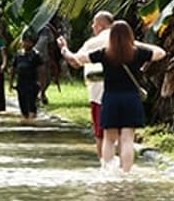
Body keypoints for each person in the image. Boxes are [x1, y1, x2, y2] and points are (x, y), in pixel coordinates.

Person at [67, 20, 167, 172]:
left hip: (111, 99)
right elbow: (161, 52)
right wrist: (137, 43)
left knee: (109, 139)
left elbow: (78, 59)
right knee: (127, 139)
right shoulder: (137, 52)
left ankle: (107, 170)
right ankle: (126, 172)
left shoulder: (104, 53)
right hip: (131, 99)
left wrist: (65, 50)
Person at [59, 11, 113, 161]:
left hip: (99, 95)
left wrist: (64, 48)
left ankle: (105, 167)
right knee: (124, 135)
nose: (92, 27)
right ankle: (125, 168)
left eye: (94, 24)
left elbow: (75, 61)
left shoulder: (93, 43)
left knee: (101, 135)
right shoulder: (126, 40)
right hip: (124, 93)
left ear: (101, 26)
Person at [10, 33, 43, 120]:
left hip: (32, 84)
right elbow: (13, 69)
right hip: (21, 84)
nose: (26, 44)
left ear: (33, 43)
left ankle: (32, 122)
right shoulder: (18, 55)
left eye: (29, 42)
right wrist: (11, 83)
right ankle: (26, 121)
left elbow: (40, 70)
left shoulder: (36, 55)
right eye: (25, 41)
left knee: (31, 105)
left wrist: (40, 83)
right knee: (23, 105)